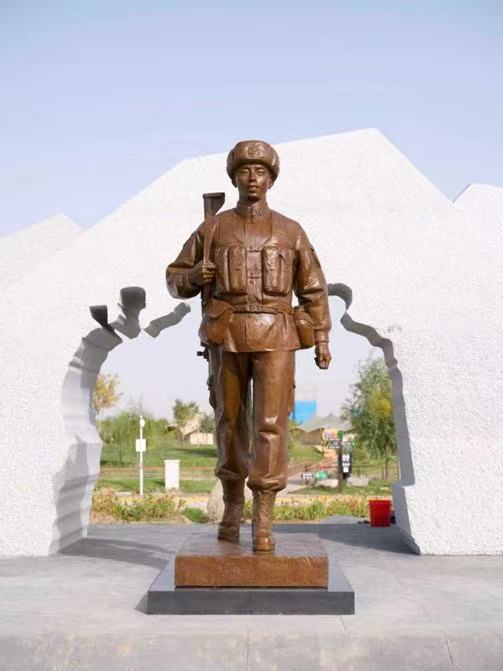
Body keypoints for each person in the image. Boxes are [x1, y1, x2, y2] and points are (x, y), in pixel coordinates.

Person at [166, 140, 331, 551]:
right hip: (227, 333)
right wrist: (194, 277)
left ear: (271, 179)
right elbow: (174, 277)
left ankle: (264, 518)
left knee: (271, 424)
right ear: (234, 178)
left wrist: (322, 338)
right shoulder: (213, 228)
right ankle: (232, 508)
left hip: (277, 332)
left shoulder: (290, 230)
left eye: (260, 172)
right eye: (244, 171)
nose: (252, 179)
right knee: (229, 421)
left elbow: (313, 287)